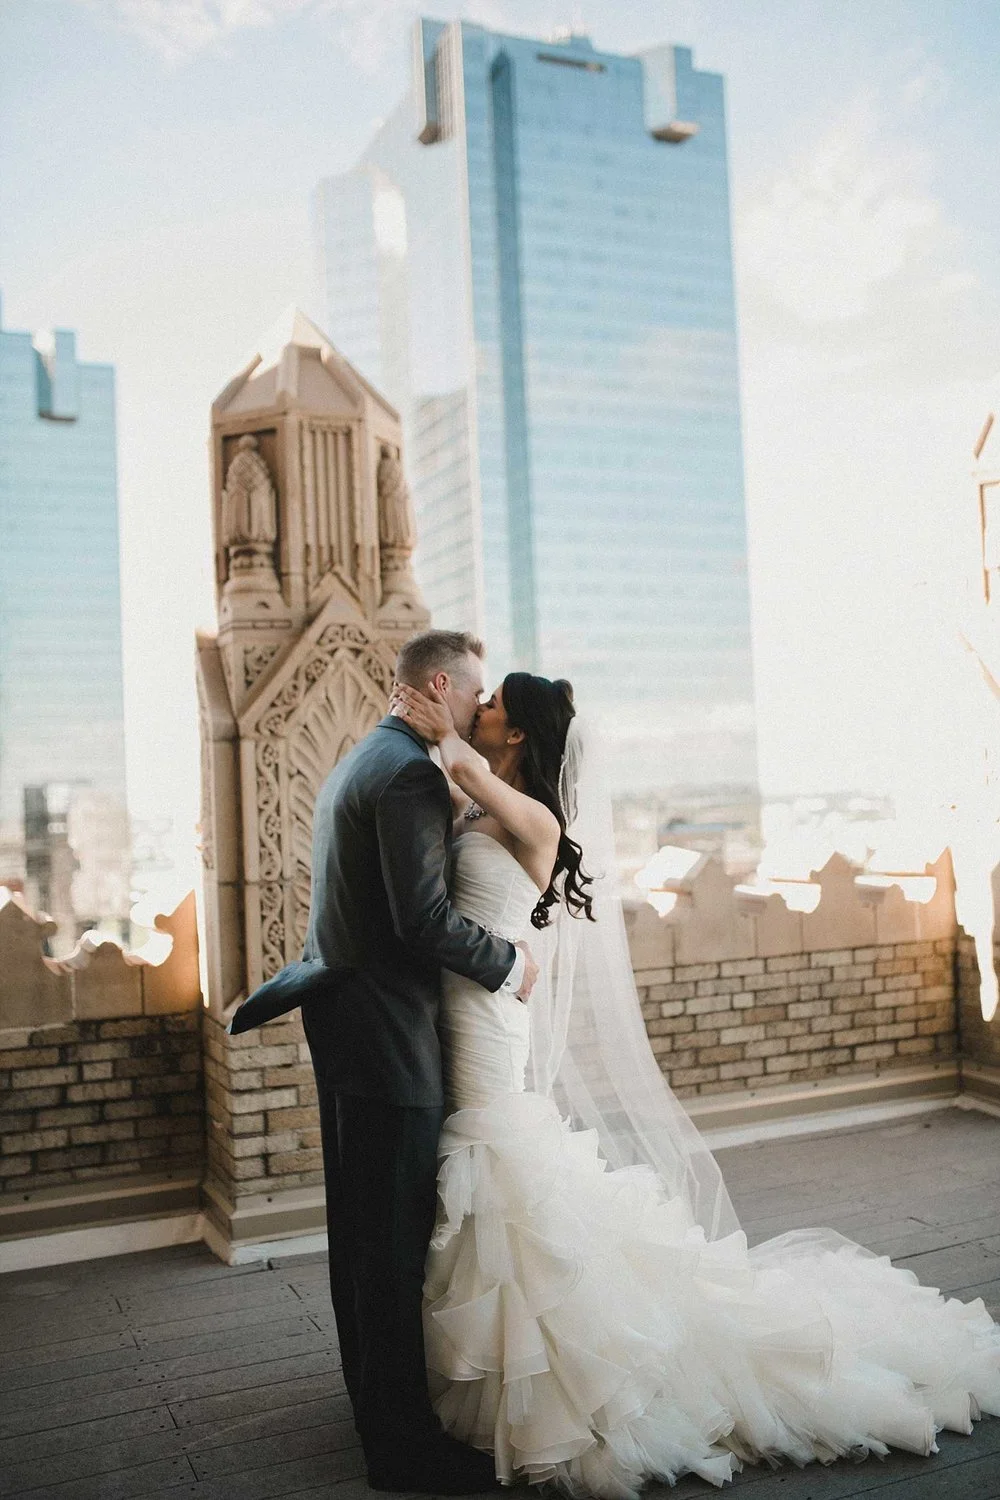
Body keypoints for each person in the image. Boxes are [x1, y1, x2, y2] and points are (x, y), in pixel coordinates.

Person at [389, 670, 1000, 1497]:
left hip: (490, 1027)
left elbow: (460, 762)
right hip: (475, 1014)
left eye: (492, 699)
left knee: (503, 1172)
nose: (481, 707)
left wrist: (428, 718)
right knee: (504, 1177)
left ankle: (571, 1384)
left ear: (520, 734)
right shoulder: (490, 803)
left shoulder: (532, 818)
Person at [229, 629, 539, 1495]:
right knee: (391, 1243)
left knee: (366, 1232)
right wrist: (510, 966)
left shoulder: (367, 754)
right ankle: (400, 1449)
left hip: (351, 1021)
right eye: (475, 695)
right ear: (438, 685)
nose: (481, 710)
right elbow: (421, 922)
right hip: (389, 1032)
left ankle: (379, 1408)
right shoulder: (405, 774)